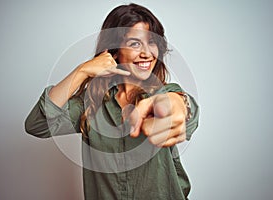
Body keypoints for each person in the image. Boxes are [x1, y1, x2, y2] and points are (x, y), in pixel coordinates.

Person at [25, 3, 199, 200]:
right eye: (135, 43)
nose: (147, 53)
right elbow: (37, 125)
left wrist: (177, 107)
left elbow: (183, 110)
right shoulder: (91, 104)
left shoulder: (165, 93)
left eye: (152, 43)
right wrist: (82, 70)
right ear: (113, 52)